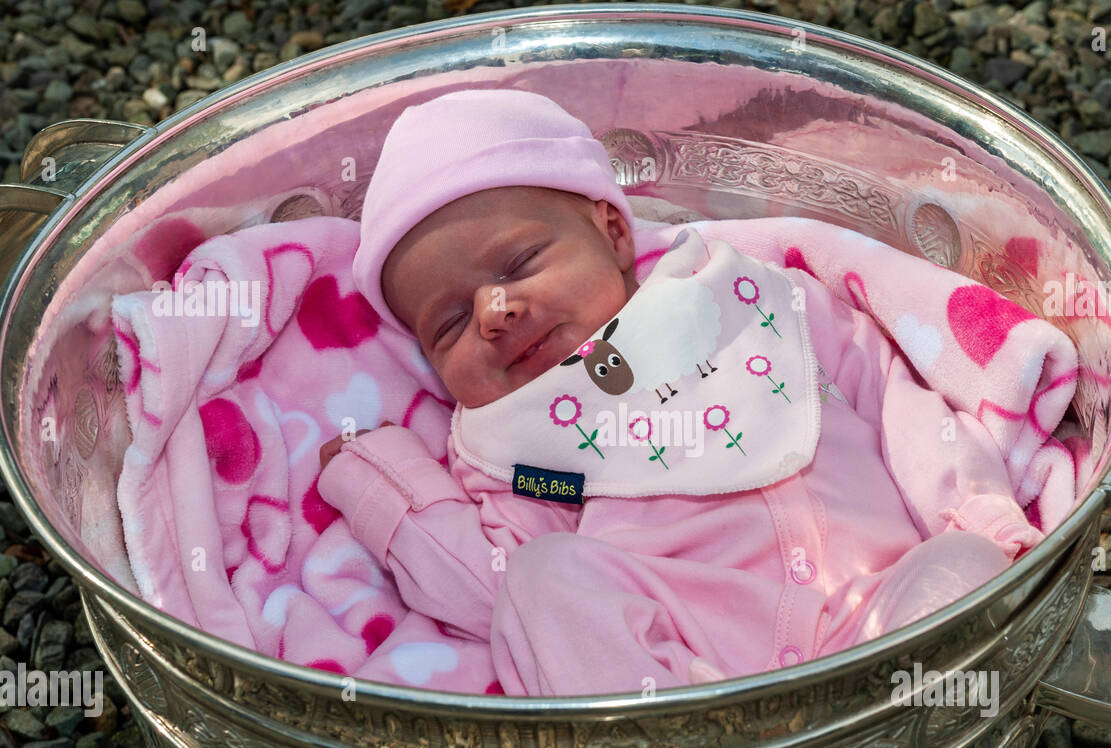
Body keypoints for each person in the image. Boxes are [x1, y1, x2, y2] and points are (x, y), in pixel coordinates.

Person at [316, 89, 1064, 696]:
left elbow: (898, 399)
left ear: (612, 232)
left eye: (518, 263)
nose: (495, 311)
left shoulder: (749, 301)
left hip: (880, 608)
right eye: (449, 323)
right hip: (694, 671)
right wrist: (385, 485)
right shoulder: (532, 451)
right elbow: (495, 585)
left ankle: (877, 728)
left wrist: (977, 512)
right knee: (542, 584)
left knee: (965, 566)